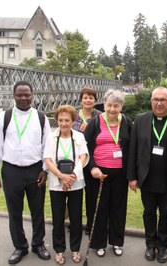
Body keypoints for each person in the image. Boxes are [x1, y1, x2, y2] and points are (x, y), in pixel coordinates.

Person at [0, 80, 51, 264]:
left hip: (35, 171)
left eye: (27, 95)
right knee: (14, 211)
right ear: (14, 96)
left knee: (37, 210)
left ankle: (38, 244)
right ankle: (20, 246)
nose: (23, 98)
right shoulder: (3, 117)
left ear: (33, 95)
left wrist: (45, 170)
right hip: (11, 171)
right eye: (19, 95)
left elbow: (47, 146)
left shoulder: (41, 117)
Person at [127, 87, 167, 263]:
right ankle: (150, 245)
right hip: (147, 178)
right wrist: (132, 177)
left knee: (165, 214)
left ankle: (162, 247)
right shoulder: (141, 120)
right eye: (155, 99)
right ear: (151, 101)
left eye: (163, 100)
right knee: (148, 213)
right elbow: (133, 150)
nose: (159, 103)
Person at [84, 89, 133, 257]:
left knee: (118, 209)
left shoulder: (126, 122)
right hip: (99, 173)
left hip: (120, 173)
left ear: (121, 106)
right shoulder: (94, 122)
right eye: (109, 105)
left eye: (116, 106)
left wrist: (132, 174)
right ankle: (98, 242)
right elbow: (85, 149)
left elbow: (133, 148)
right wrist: (92, 167)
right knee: (99, 209)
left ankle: (117, 242)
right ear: (104, 104)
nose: (112, 109)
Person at [44, 105, 89, 264]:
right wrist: (62, 177)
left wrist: (72, 176)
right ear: (57, 120)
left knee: (76, 218)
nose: (63, 123)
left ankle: (75, 249)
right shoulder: (51, 137)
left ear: (73, 121)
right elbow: (48, 160)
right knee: (58, 219)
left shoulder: (79, 137)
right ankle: (59, 250)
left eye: (67, 120)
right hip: (57, 184)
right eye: (60, 120)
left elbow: (83, 157)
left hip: (75, 183)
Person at [72, 87, 101, 235]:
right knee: (75, 196)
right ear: (81, 99)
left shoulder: (100, 117)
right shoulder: (74, 115)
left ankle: (91, 226)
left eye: (91, 97)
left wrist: (89, 129)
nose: (88, 100)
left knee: (91, 195)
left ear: (95, 100)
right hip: (75, 160)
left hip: (91, 161)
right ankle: (74, 224)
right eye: (85, 97)